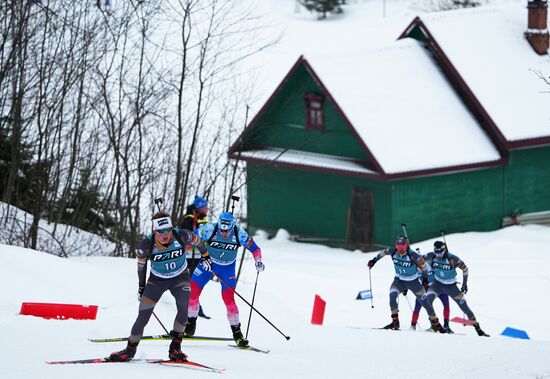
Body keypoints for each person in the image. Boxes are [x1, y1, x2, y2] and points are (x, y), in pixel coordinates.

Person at [109, 211, 208, 362]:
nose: (165, 234)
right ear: (154, 230)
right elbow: (141, 267)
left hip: (180, 278)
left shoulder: (181, 235)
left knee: (184, 309)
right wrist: (141, 287)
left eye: (167, 230)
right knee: (143, 316)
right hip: (157, 281)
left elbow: (199, 241)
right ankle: (129, 350)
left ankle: (175, 347)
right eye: (160, 231)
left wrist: (205, 256)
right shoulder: (146, 244)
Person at [184, 211, 265, 347]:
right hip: (207, 264)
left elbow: (255, 249)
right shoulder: (210, 229)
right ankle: (190, 324)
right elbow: (191, 238)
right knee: (192, 293)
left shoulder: (240, 234)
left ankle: (237, 334)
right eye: (222, 230)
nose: (224, 233)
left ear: (232, 226)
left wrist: (258, 261)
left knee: (229, 299)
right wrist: (185, 250)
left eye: (227, 231)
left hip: (227, 269)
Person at [367, 235, 446, 333]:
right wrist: (373, 261)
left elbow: (425, 267)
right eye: (399, 248)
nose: (400, 251)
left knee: (426, 303)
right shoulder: (393, 251)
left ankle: (436, 324)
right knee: (392, 296)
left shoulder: (414, 256)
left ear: (407, 246)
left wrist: (425, 279)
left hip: (413, 282)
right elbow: (382, 253)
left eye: (403, 249)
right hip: (399, 280)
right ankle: (395, 322)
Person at [424, 240, 489, 337]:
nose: (438, 255)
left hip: (451, 286)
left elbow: (465, 269)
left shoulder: (452, 259)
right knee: (427, 301)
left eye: (440, 253)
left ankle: (478, 329)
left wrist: (464, 284)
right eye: (436, 252)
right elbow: (417, 259)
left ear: (444, 250)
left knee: (464, 307)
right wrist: (424, 277)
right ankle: (434, 325)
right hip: (437, 284)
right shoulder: (431, 255)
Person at [182, 195, 210, 319]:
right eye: (205, 207)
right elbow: (185, 236)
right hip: (189, 257)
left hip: (199, 256)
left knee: (195, 282)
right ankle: (193, 308)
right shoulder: (189, 219)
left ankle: (196, 308)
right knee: (189, 282)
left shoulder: (203, 219)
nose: (207, 209)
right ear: (199, 207)